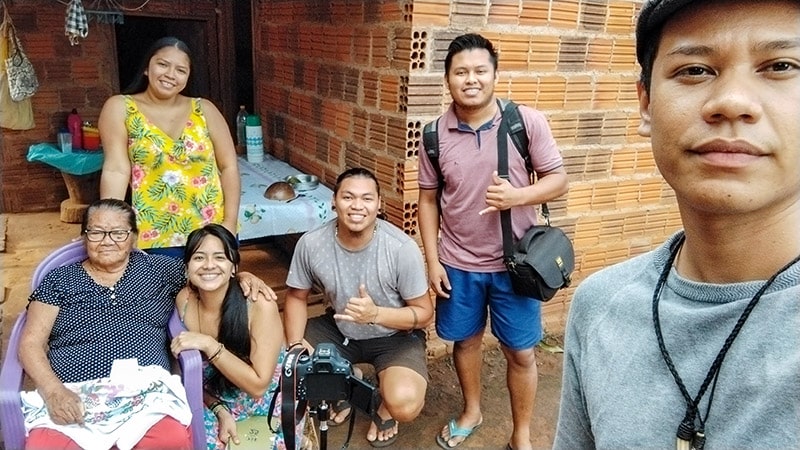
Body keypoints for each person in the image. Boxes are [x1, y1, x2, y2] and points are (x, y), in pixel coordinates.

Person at [553, 0, 800, 448]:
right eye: (694, 70)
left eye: (780, 65)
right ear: (645, 104)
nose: (731, 102)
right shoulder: (600, 306)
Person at [18, 199, 274, 449]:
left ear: (134, 237)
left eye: (118, 232)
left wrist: (242, 275)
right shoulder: (60, 279)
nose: (107, 241)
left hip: (146, 394)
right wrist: (53, 391)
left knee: (169, 440)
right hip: (72, 392)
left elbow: (208, 271)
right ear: (83, 237)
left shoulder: (158, 269)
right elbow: (30, 342)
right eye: (96, 232)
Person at [417, 33, 569, 450]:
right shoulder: (434, 135)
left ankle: (521, 435)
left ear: (495, 75)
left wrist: (518, 196)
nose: (471, 79)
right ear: (447, 79)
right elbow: (428, 200)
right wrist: (432, 261)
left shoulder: (525, 122)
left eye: (480, 71)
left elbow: (558, 179)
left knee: (520, 352)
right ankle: (472, 410)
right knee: (464, 342)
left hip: (516, 264)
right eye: (460, 72)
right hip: (458, 264)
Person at [283, 167, 433, 447]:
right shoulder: (312, 243)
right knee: (288, 365)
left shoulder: (401, 248)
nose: (357, 206)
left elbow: (424, 313)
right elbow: (295, 297)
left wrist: (376, 314)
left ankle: (383, 404)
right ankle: (348, 382)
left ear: (379, 204)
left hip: (395, 338)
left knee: (405, 403)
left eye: (366, 199)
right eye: (348, 197)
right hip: (339, 331)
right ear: (333, 201)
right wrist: (294, 346)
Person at [98, 36, 240, 258]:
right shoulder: (121, 108)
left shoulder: (205, 110)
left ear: (187, 77)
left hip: (211, 233)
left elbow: (229, 166)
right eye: (163, 64)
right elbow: (116, 170)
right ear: (147, 67)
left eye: (181, 70)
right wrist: (108, 226)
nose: (170, 75)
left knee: (216, 292)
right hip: (153, 234)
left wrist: (229, 223)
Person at [170, 224, 302, 450]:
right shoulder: (185, 301)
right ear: (187, 267)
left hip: (265, 403)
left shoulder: (258, 304)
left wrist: (210, 345)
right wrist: (218, 409)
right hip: (213, 399)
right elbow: (182, 372)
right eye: (199, 257)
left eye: (219, 257)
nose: (209, 265)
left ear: (233, 267)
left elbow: (259, 386)